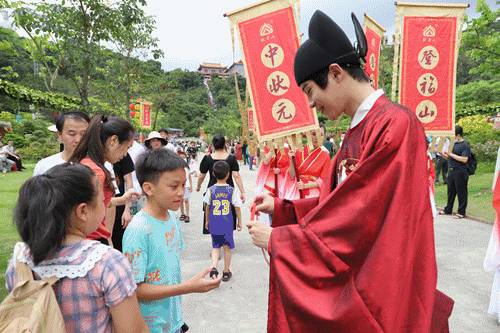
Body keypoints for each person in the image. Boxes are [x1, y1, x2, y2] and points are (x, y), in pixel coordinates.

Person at [247, 10, 452, 332]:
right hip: (365, 268)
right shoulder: (358, 130)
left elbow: (362, 211)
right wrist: (286, 209)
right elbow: (339, 203)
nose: (312, 104)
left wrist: (283, 241)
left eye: (311, 91)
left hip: (382, 277)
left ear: (336, 72)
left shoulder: (395, 124)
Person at [5, 163, 148, 333]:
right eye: (103, 200)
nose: (106, 205)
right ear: (83, 211)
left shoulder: (20, 260)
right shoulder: (107, 263)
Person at [123, 149, 221, 333]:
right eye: (174, 186)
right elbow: (135, 290)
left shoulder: (172, 219)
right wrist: (188, 287)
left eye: (183, 186)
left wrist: (191, 282)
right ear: (148, 188)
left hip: (173, 321)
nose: (181, 193)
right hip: (149, 327)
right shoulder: (138, 230)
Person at [70, 115, 139, 245]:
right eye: (127, 147)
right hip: (92, 240)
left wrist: (122, 200)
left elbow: (97, 203)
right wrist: (107, 241)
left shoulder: (87, 164)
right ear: (113, 140)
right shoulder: (96, 173)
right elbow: (84, 212)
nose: (125, 154)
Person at [197, 134, 246, 234]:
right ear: (224, 144)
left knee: (212, 209)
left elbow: (201, 175)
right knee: (228, 211)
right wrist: (242, 191)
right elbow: (236, 175)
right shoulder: (231, 158)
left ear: (213, 145)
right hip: (228, 189)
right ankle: (227, 234)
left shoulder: (207, 159)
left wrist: (198, 186)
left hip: (212, 188)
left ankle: (215, 235)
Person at [204, 161, 243, 282]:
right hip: (227, 224)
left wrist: (207, 220)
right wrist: (239, 221)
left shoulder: (210, 190)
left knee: (215, 247)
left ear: (213, 174)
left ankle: (214, 267)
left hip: (215, 223)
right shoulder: (231, 190)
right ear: (228, 174)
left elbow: (207, 206)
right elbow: (237, 207)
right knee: (227, 248)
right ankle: (226, 271)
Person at [33, 111, 90, 176]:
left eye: (84, 134)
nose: (78, 140)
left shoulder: (98, 166)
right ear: (59, 136)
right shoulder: (44, 166)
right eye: (72, 134)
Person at [439, 125, 471, 219]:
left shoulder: (465, 145)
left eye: (453, 134)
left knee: (461, 192)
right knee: (450, 191)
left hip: (461, 171)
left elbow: (464, 159)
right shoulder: (453, 144)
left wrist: (450, 154)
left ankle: (461, 212)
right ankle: (448, 209)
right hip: (451, 170)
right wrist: (442, 154)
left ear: (458, 135)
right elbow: (449, 157)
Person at [178, 150, 193, 223]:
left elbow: (189, 176)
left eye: (183, 158)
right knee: (180, 200)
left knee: (186, 200)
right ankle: (182, 214)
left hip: (186, 186)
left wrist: (191, 186)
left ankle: (187, 215)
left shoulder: (187, 167)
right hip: (179, 187)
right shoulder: (175, 167)